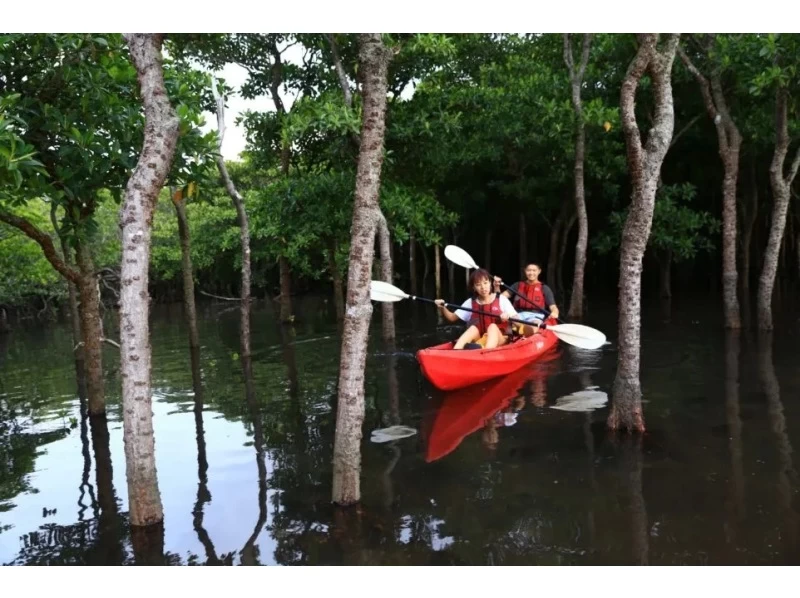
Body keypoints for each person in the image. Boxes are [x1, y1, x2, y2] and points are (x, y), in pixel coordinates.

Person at [435, 268, 517, 350]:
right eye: (478, 285)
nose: (483, 287)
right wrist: (443, 307)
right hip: (480, 339)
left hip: (501, 339)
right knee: (473, 328)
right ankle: (456, 351)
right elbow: (452, 318)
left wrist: (508, 316)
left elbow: (517, 319)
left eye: (485, 283)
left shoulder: (501, 299)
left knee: (492, 327)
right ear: (474, 287)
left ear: (490, 283)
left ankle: (485, 353)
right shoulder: (470, 302)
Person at [493, 262, 559, 335]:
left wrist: (555, 312)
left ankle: (522, 331)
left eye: (534, 270)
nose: (531, 273)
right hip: (518, 315)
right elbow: (500, 298)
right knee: (510, 320)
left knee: (534, 324)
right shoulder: (517, 285)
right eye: (529, 270)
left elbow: (553, 306)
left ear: (539, 271)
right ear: (525, 271)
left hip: (536, 316)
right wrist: (496, 286)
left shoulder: (544, 288)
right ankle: (517, 330)